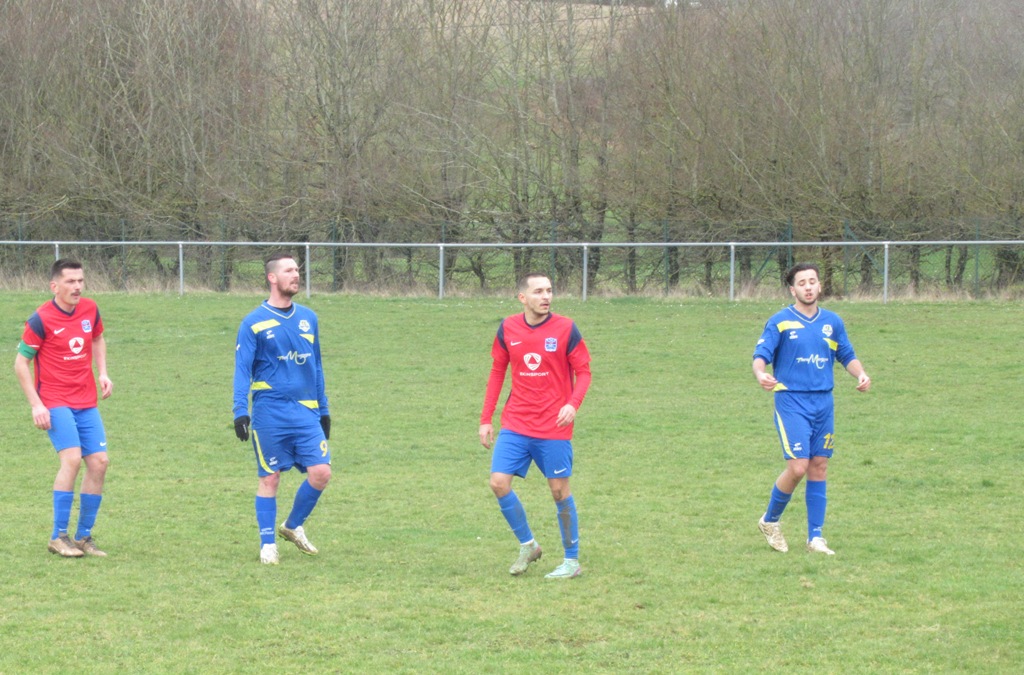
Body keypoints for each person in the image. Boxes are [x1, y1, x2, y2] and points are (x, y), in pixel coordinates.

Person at [752, 262, 871, 555]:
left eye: (812, 281)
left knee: (819, 465)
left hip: (823, 402)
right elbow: (761, 355)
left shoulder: (832, 322)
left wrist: (860, 374)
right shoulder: (780, 321)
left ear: (819, 286)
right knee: (798, 467)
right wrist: (760, 373)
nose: (808, 287)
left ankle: (815, 538)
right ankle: (770, 520)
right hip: (791, 401)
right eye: (802, 283)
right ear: (792, 290)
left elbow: (846, 354)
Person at [479, 273, 592, 579]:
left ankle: (571, 562)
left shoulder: (566, 328)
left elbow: (584, 372)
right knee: (498, 483)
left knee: (559, 491)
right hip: (516, 422)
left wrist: (572, 404)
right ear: (523, 298)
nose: (546, 297)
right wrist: (486, 419)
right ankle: (528, 545)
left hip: (553, 426)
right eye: (539, 291)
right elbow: (497, 371)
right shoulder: (508, 328)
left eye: (549, 291)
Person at [233, 252, 332, 565]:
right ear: (272, 277)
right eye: (289, 270)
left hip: (306, 411)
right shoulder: (253, 322)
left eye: (298, 270)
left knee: (321, 472)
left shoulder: (309, 318)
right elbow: (242, 370)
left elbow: (316, 366)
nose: (296, 275)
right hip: (270, 411)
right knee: (270, 478)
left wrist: (324, 409)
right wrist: (240, 410)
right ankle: (267, 545)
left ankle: (292, 525)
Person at [14, 259, 113, 558]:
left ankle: (83, 537)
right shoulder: (40, 319)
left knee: (99, 462)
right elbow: (21, 363)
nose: (77, 287)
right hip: (55, 401)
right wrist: (36, 405)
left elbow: (97, 338)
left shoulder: (90, 309)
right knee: (71, 460)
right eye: (70, 281)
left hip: (86, 401)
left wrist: (103, 373)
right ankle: (58, 536)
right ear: (54, 286)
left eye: (80, 280)